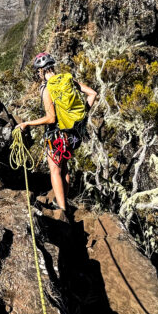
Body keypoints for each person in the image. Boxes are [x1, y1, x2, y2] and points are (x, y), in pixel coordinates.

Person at [16, 52, 97, 216]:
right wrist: (80, 117)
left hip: (57, 136)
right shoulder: (68, 80)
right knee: (64, 168)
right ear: (52, 67)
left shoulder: (46, 89)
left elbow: (50, 118)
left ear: (40, 71)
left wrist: (27, 123)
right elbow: (92, 94)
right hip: (74, 134)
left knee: (55, 169)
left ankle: (61, 209)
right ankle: (62, 201)